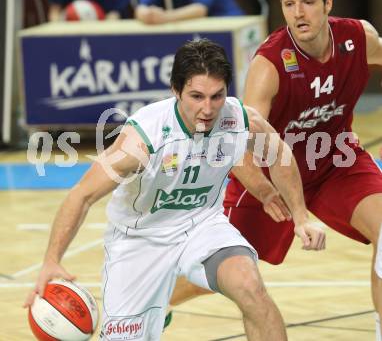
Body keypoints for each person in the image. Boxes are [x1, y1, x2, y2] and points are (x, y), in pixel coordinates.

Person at [24, 38, 325, 340]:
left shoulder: (238, 118)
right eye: (196, 96)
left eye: (217, 96)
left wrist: (300, 215)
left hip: (202, 226)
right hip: (139, 240)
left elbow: (279, 153)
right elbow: (82, 195)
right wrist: (51, 260)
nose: (208, 109)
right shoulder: (142, 139)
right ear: (176, 91)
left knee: (251, 288)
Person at [168, 0, 382, 339]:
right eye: (288, 3)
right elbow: (239, 144)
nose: (298, 13)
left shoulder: (357, 38)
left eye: (308, 1)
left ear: (329, 3)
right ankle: (159, 299)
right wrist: (265, 191)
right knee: (221, 271)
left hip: (336, 161)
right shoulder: (270, 64)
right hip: (270, 175)